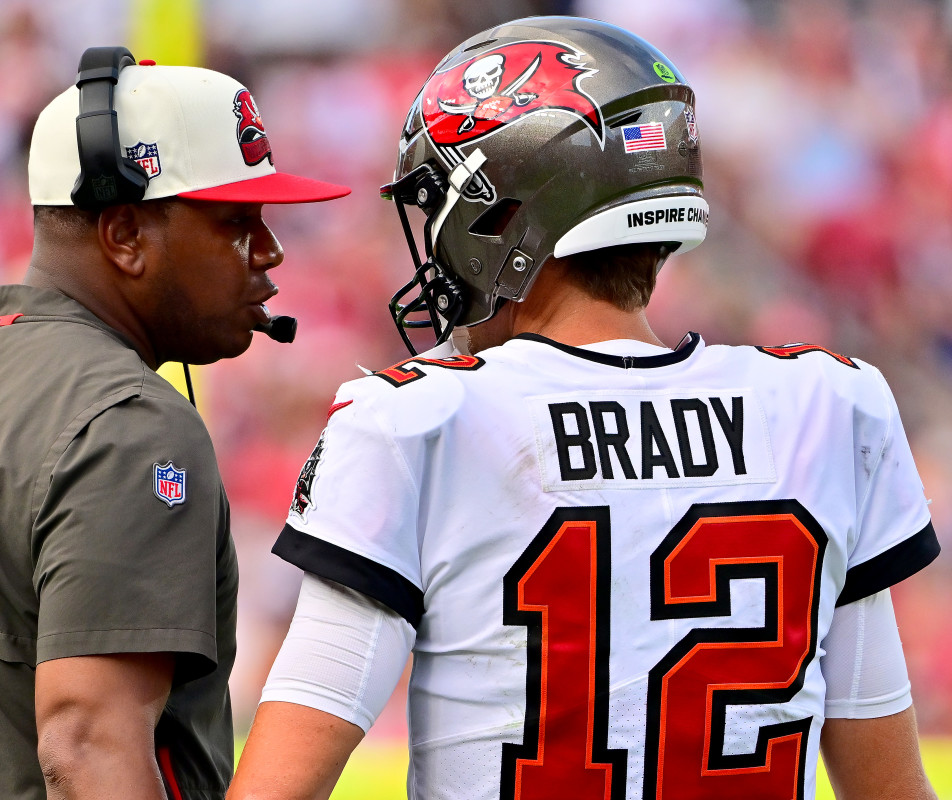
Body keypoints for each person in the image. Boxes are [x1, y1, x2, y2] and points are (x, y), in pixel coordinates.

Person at [227, 17, 940, 800]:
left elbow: (280, 786)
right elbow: (889, 783)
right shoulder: (829, 403)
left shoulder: (415, 421)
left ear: (503, 214)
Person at [0, 48, 348, 800]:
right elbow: (87, 745)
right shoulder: (132, 424)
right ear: (123, 236)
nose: (270, 252)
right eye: (235, 222)